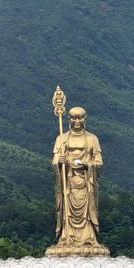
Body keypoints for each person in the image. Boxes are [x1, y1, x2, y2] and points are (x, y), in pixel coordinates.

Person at [48, 107, 107, 255]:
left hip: (86, 182)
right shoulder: (61, 139)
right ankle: (67, 237)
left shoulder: (92, 139)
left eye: (80, 118)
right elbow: (54, 162)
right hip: (68, 183)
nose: (77, 121)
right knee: (67, 212)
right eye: (73, 118)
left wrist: (87, 164)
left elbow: (99, 162)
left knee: (87, 213)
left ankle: (89, 238)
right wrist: (60, 162)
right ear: (69, 119)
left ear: (85, 119)